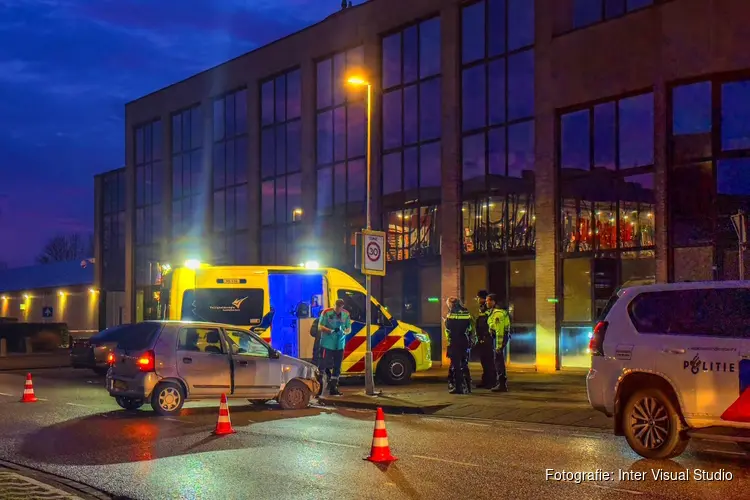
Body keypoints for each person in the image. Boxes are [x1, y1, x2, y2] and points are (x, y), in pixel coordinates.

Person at [317, 298, 352, 396]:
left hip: (340, 344)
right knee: (322, 366)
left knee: (337, 367)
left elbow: (349, 328)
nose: (338, 309)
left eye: (340, 307)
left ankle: (333, 388)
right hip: (327, 344)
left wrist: (344, 332)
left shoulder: (346, 314)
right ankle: (319, 388)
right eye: (337, 307)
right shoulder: (326, 312)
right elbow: (320, 326)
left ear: (342, 307)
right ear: (334, 305)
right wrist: (330, 330)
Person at [444, 297, 475, 395]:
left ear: (451, 304)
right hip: (464, 340)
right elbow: (471, 328)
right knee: (464, 364)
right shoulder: (467, 313)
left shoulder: (451, 314)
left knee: (456, 365)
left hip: (455, 341)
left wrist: (445, 322)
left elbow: (448, 329)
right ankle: (468, 387)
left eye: (448, 304)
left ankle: (458, 387)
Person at [486, 293, 511, 392]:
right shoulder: (494, 312)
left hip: (498, 339)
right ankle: (500, 383)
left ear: (493, 302)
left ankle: (502, 384)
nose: (486, 302)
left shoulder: (498, 314)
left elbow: (499, 331)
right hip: (497, 338)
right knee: (498, 361)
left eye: (488, 300)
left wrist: (498, 346)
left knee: (499, 361)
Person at [473, 290, 496, 389]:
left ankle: (491, 382)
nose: (477, 300)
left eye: (478, 298)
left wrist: (484, 337)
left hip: (487, 339)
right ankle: (486, 381)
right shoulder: (482, 308)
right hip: (482, 338)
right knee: (484, 361)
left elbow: (488, 324)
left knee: (488, 361)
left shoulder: (488, 309)